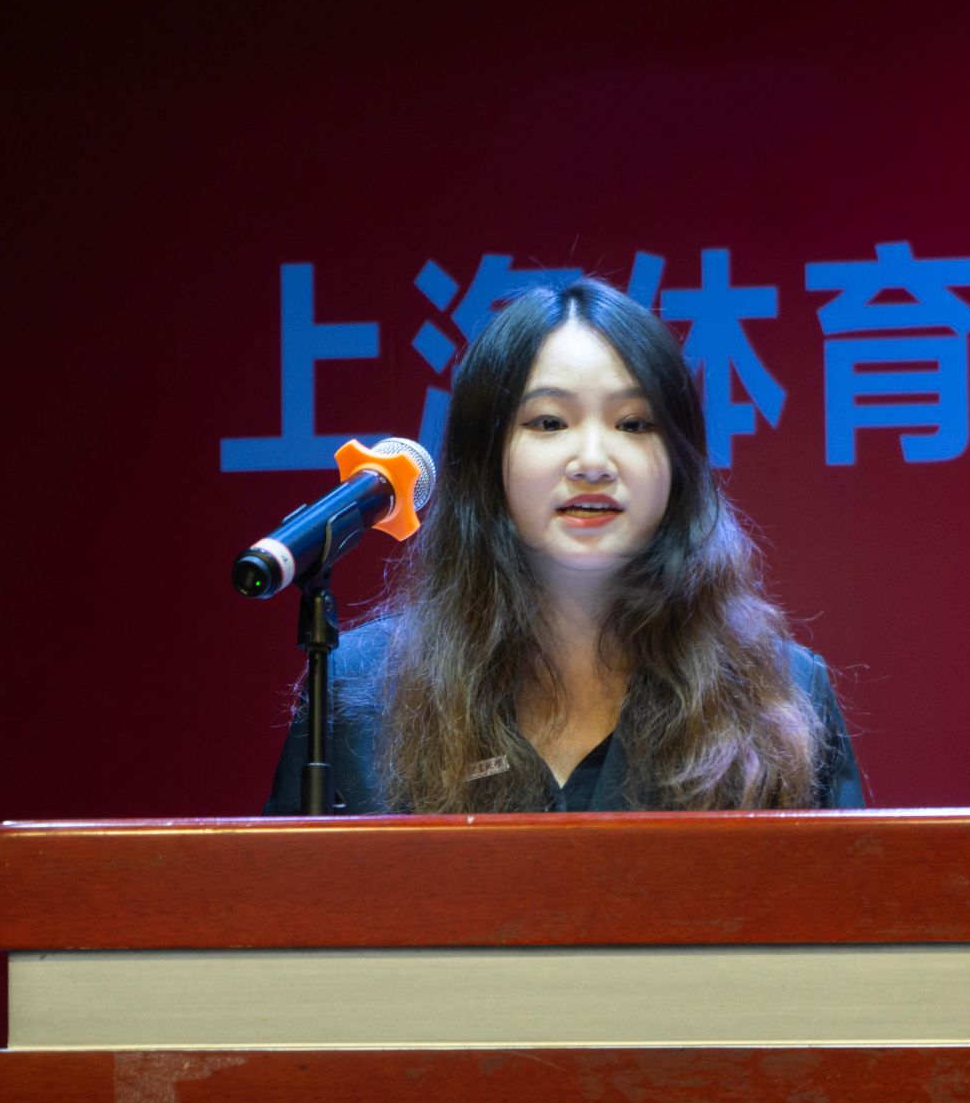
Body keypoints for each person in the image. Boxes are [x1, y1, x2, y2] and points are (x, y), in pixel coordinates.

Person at [264, 277, 863, 814]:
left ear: (679, 464)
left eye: (634, 424)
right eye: (549, 423)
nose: (593, 462)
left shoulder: (780, 690)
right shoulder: (361, 691)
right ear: (486, 458)